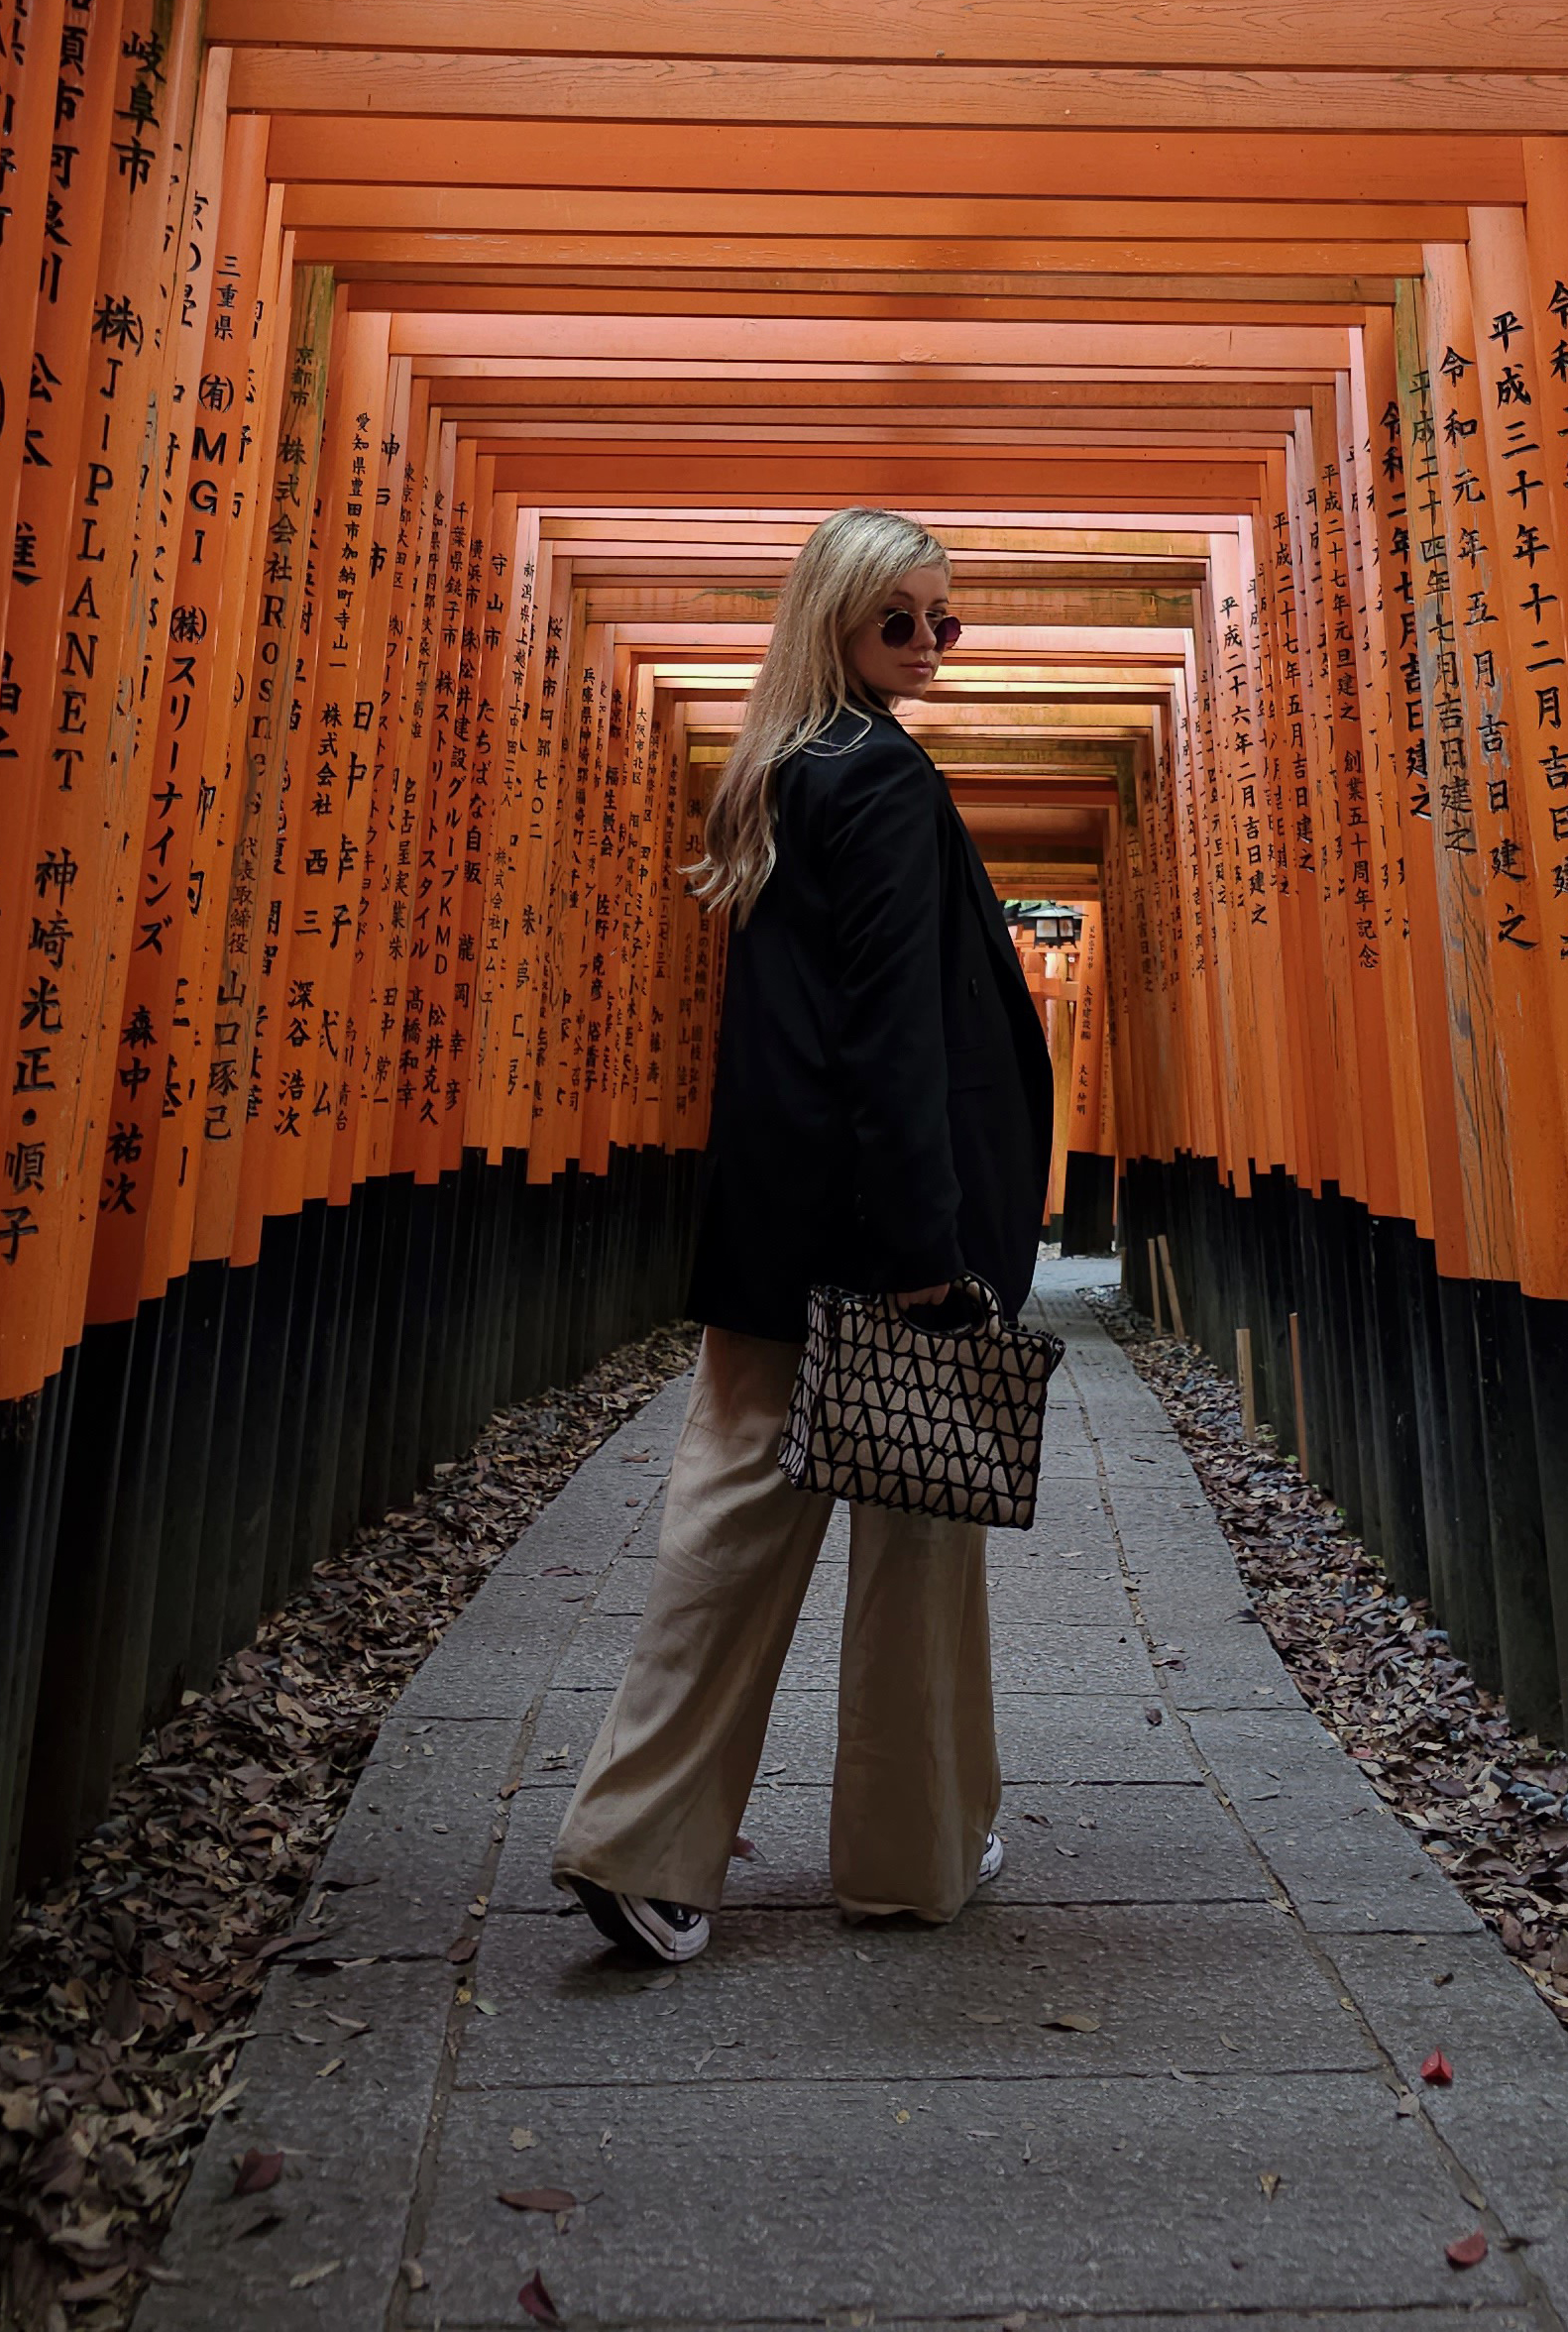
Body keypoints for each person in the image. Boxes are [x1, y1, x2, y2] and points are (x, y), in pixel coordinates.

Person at [549, 508, 1055, 1961]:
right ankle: (911, 1849)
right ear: (831, 622)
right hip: (887, 1224)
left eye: (945, 621)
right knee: (918, 1532)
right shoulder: (882, 779)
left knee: (728, 1518)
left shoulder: (778, 773)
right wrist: (922, 1242)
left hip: (777, 1216)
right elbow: (891, 1029)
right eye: (901, 620)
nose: (930, 644)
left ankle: (644, 1837)